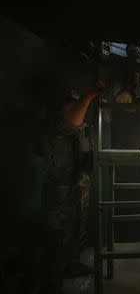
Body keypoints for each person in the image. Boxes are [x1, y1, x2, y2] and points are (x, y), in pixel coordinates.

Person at [39, 80, 105, 293]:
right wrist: (89, 96)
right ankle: (52, 282)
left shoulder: (81, 125)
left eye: (77, 102)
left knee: (78, 230)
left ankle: (72, 265)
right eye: (72, 102)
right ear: (63, 104)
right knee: (58, 235)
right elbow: (70, 123)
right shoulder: (58, 122)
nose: (77, 106)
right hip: (61, 191)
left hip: (79, 188)